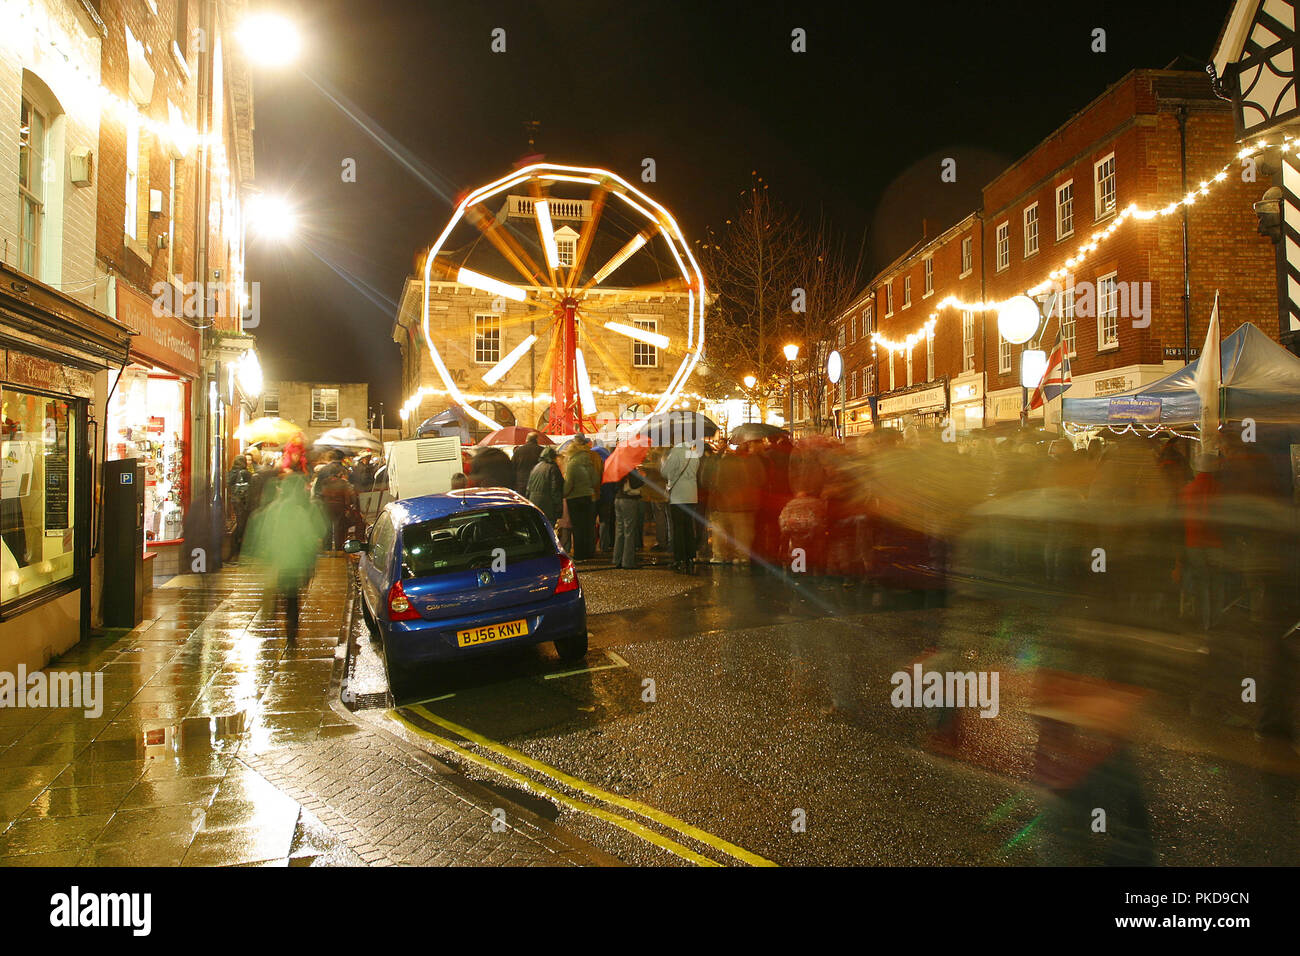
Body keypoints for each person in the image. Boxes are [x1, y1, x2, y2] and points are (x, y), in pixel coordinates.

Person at [244, 470, 327, 644]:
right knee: (291, 598)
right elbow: (309, 536)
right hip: (294, 562)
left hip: (278, 561)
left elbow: (264, 534)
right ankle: (291, 633)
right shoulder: (298, 511)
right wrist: (310, 556)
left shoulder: (273, 508)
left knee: (280, 594)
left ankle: (275, 629)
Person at [708, 443, 764, 565]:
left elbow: (717, 483)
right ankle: (742, 557)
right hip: (741, 503)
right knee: (742, 532)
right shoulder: (742, 464)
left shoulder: (722, 464)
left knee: (721, 531)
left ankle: (720, 555)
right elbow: (750, 481)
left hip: (724, 503)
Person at [662, 438, 702, 573]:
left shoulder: (675, 453)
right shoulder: (693, 453)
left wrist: (663, 463)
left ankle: (679, 558)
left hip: (678, 496)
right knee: (689, 527)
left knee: (678, 528)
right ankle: (691, 556)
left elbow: (665, 472)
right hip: (692, 495)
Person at [562, 435, 600, 559]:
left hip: (575, 498)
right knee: (587, 526)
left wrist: (564, 493)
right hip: (588, 497)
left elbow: (569, 484)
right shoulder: (588, 461)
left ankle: (579, 554)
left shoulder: (572, 464)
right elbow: (595, 480)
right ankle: (589, 552)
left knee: (578, 528)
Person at [612, 467, 645, 569]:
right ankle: (628, 561)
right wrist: (642, 477)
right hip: (629, 500)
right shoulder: (630, 467)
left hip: (618, 498)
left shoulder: (617, 468)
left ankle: (617, 559)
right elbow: (635, 483)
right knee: (629, 531)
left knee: (620, 531)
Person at [526, 446, 563, 524]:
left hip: (534, 503)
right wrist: (558, 507)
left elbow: (528, 488)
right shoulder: (552, 468)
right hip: (548, 505)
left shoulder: (536, 467)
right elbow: (555, 490)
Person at [226, 455, 253, 560]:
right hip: (242, 501)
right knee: (242, 523)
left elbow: (228, 484)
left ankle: (235, 548)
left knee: (238, 521)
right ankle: (238, 548)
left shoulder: (231, 472)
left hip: (234, 499)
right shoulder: (245, 473)